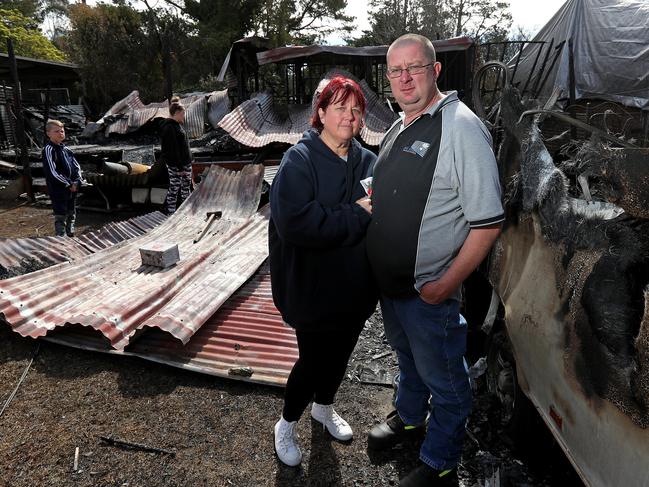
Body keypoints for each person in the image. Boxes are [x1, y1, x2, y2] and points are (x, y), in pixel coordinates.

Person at [366, 34, 504, 487]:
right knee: (409, 360)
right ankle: (409, 418)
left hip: (429, 291)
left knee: (446, 381)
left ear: (435, 70)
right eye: (396, 70)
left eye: (415, 68)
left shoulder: (460, 128)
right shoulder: (401, 124)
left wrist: (445, 285)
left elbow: (487, 223)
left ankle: (440, 461)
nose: (404, 78)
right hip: (394, 288)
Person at [269, 76, 377, 467]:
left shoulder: (368, 161)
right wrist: (354, 215)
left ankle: (323, 408)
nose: (350, 116)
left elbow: (379, 211)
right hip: (311, 286)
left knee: (341, 355)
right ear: (320, 113)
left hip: (355, 287)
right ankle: (286, 422)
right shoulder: (299, 161)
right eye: (340, 108)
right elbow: (296, 223)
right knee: (312, 361)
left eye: (356, 109)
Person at [42, 119, 82, 237]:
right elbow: (52, 171)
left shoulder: (67, 150)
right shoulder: (49, 149)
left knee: (71, 212)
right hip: (59, 189)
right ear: (48, 133)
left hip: (72, 189)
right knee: (61, 214)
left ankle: (71, 234)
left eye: (62, 131)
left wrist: (77, 181)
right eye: (56, 131)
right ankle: (61, 238)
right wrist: (69, 184)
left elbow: (77, 167)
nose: (60, 133)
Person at [160, 96, 192, 214]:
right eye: (183, 114)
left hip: (184, 164)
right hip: (178, 166)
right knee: (174, 189)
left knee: (185, 189)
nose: (184, 116)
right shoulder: (169, 128)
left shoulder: (177, 125)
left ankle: (185, 213)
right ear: (177, 113)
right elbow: (172, 150)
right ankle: (171, 213)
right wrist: (179, 168)